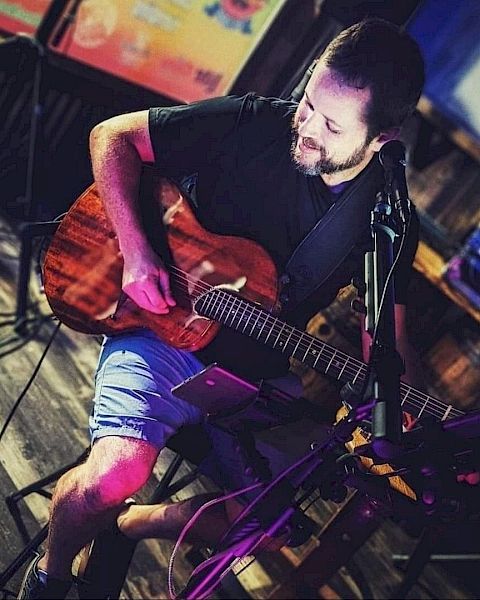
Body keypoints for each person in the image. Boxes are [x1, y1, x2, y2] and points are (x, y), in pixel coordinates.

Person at [18, 18, 425, 599]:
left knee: (276, 525)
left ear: (381, 139)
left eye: (332, 126)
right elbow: (112, 137)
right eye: (309, 103)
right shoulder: (257, 123)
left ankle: (132, 524)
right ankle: (51, 578)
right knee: (113, 475)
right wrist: (136, 252)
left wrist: (405, 407)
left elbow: (385, 341)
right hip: (160, 330)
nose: (306, 127)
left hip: (251, 378)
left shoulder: (386, 221)